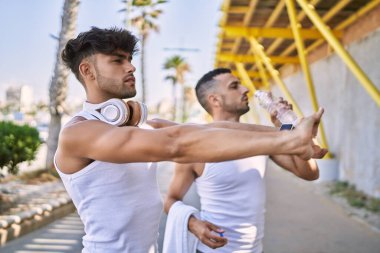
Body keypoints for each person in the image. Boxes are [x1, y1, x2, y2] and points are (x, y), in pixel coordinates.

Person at [54, 27, 326, 253]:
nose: (131, 66)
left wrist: (289, 131)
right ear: (88, 71)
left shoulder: (142, 125)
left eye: (129, 58)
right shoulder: (78, 133)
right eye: (117, 60)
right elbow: (177, 143)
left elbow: (208, 129)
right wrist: (289, 142)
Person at [162, 68, 326, 253]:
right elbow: (171, 199)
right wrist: (193, 223)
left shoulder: (260, 139)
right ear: (215, 100)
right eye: (234, 86)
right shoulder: (196, 147)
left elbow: (309, 173)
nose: (245, 89)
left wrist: (286, 128)